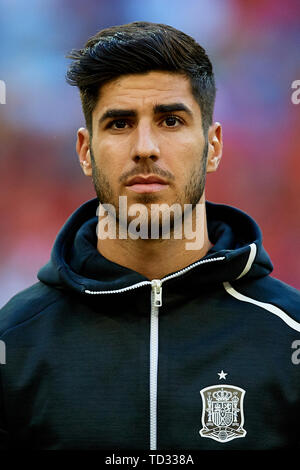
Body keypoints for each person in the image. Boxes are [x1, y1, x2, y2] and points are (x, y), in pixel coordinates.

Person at [0, 21, 299, 451]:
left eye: (171, 120)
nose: (145, 146)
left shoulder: (291, 335)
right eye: (120, 124)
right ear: (85, 151)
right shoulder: (15, 343)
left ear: (212, 146)